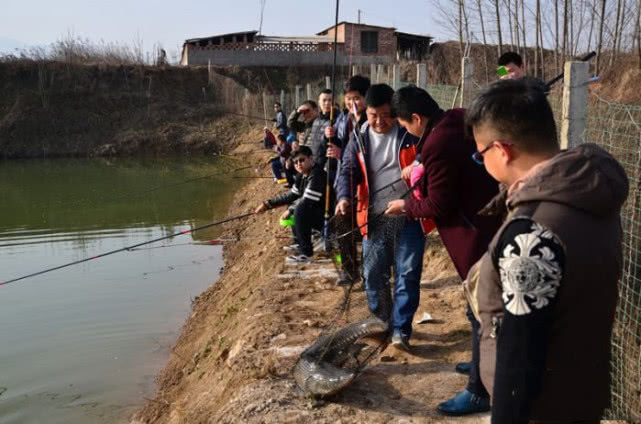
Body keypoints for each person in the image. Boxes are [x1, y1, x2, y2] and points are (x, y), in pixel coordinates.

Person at [466, 77, 628, 423]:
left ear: (501, 149)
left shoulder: (532, 233)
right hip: (585, 388)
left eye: (481, 155)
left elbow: (520, 351)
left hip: (542, 408)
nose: (484, 163)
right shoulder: (588, 192)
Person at [385, 85, 502, 415]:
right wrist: (420, 164)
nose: (407, 133)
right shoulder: (456, 118)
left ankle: (480, 390)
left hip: (473, 235)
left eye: (406, 126)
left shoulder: (437, 142)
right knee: (475, 308)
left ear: (418, 118)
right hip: (488, 223)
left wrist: (405, 206)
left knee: (483, 311)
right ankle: (480, 363)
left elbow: (440, 202)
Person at [335, 84, 427, 351]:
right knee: (373, 274)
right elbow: (347, 170)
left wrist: (418, 163)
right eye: (373, 114)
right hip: (374, 216)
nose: (378, 121)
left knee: (407, 274)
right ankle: (381, 323)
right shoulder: (360, 134)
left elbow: (430, 157)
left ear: (395, 111)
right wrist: (344, 197)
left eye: (385, 114)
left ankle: (401, 330)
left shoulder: (410, 134)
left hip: (409, 215)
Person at [325, 75, 371, 286]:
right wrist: (329, 137)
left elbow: (360, 153)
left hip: (367, 184)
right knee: (343, 223)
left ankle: (370, 272)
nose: (352, 103)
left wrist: (341, 152)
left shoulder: (373, 120)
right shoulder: (342, 119)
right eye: (348, 98)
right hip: (345, 180)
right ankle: (348, 270)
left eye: (357, 98)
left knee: (368, 228)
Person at [255, 146, 328, 264]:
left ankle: (306, 254)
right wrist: (267, 204)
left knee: (298, 209)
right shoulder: (302, 176)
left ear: (310, 158)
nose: (299, 164)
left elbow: (307, 200)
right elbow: (290, 195)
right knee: (294, 207)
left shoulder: (317, 174)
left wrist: (291, 210)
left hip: (327, 216)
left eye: (302, 160)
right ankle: (300, 243)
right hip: (315, 212)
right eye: (296, 162)